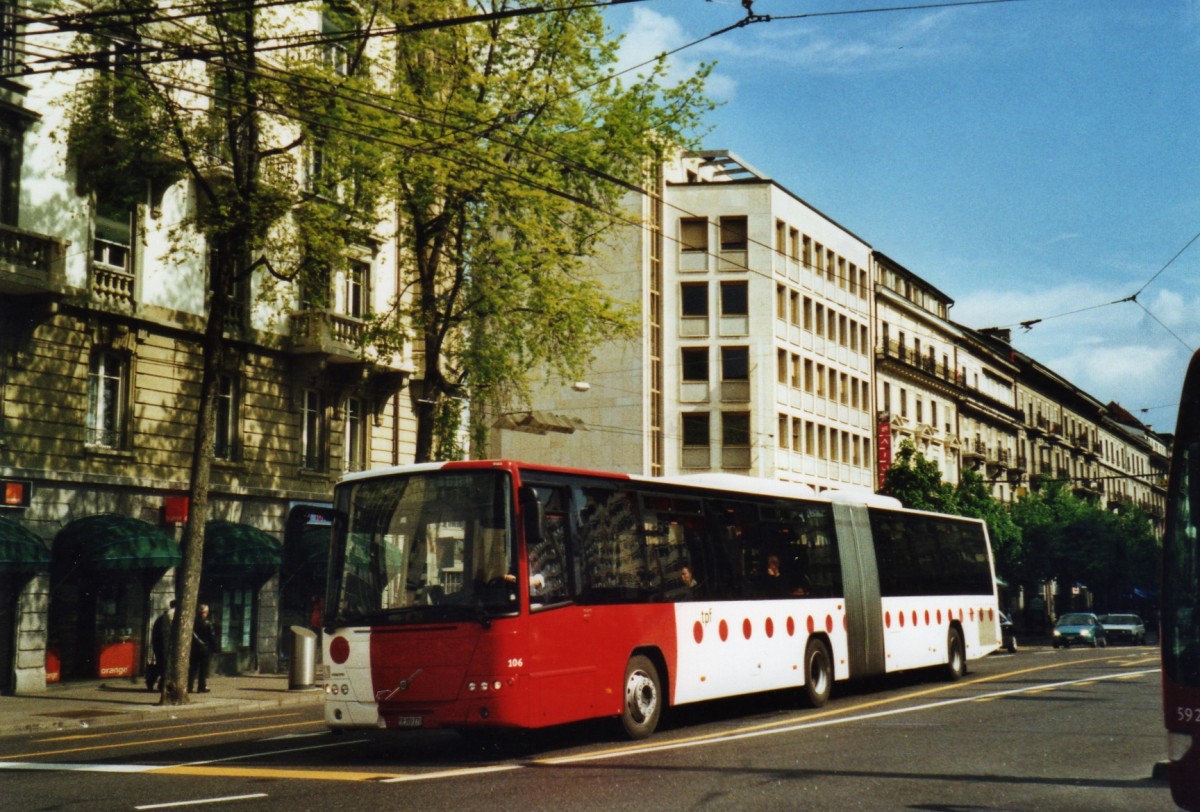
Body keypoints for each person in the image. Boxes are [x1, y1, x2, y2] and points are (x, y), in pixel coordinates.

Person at [146, 600, 174, 692]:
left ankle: (160, 684)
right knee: (162, 666)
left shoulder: (163, 618)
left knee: (162, 666)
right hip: (163, 648)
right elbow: (164, 636)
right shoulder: (165, 619)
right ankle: (156, 683)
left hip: (162, 648)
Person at [189, 603, 217, 693]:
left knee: (192, 668)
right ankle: (201, 687)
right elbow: (212, 637)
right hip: (205, 648)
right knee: (203, 669)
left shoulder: (193, 622)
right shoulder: (208, 623)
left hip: (194, 648)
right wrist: (214, 648)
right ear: (206, 612)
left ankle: (189, 686)